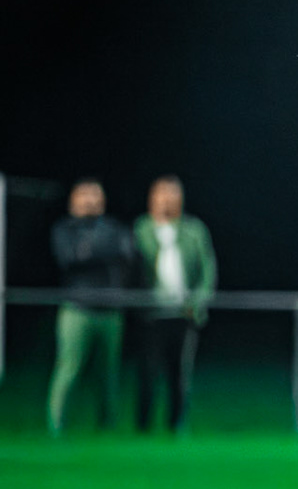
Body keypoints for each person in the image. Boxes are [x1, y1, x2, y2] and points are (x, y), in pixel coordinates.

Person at [47, 178, 136, 434]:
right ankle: (55, 427)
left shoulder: (115, 228)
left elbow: (127, 252)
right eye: (84, 197)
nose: (90, 202)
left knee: (108, 374)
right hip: (77, 310)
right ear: (73, 201)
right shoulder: (63, 229)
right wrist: (100, 250)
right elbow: (68, 258)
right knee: (68, 369)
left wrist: (88, 251)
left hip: (111, 313)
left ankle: (107, 427)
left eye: (95, 196)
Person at [132, 175, 217, 433]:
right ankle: (143, 428)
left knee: (180, 375)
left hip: (184, 315)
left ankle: (177, 426)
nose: (167, 200)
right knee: (147, 373)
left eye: (172, 195)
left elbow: (208, 272)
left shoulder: (194, 230)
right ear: (152, 199)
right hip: (151, 315)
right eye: (161, 195)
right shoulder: (141, 229)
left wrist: (197, 302)